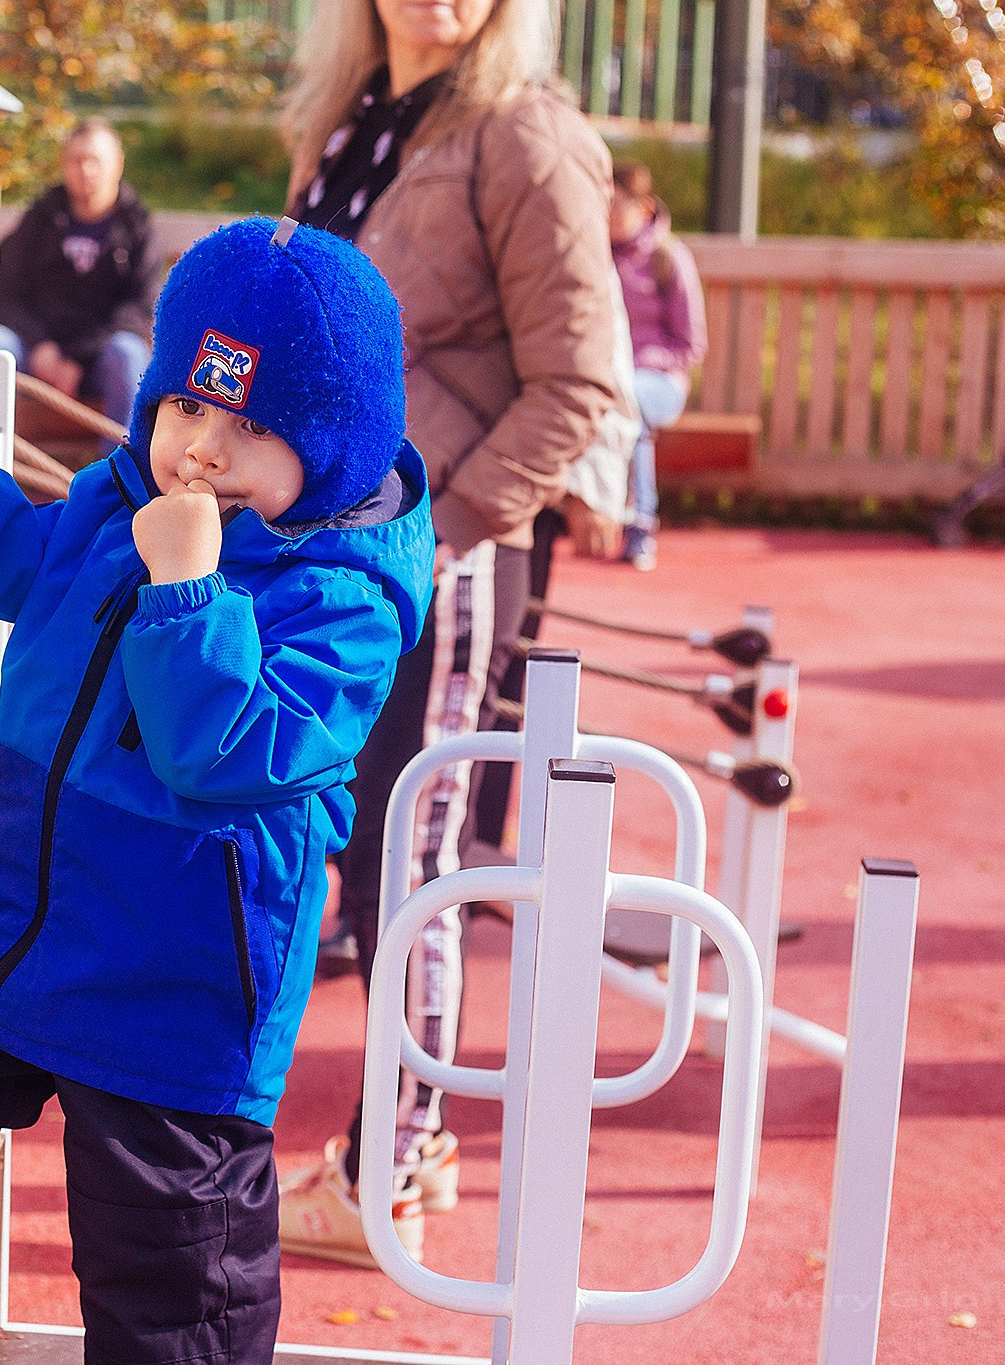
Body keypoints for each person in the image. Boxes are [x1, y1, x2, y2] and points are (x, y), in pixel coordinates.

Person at [0, 218, 433, 1365]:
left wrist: (188, 588)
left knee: (171, 1283)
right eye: (188, 406)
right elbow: (22, 554)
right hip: (11, 938)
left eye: (249, 427)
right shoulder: (122, 494)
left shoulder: (344, 603)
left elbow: (222, 752)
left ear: (331, 452)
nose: (201, 451)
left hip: (170, 995)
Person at [276, 0, 627, 1269]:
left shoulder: (520, 134)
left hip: (438, 552)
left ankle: (396, 1162)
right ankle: (399, 1155)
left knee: (406, 849)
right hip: (325, 554)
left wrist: (453, 524)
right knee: (344, 841)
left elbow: (581, 379)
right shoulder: (353, 126)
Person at [0, 117, 157, 426]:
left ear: (117, 164)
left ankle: (118, 472)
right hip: (34, 355)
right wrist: (40, 346)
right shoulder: (40, 218)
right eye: (76, 160)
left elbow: (139, 309)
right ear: (64, 165)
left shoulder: (137, 226)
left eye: (95, 160)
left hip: (100, 361)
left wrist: (78, 358)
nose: (85, 170)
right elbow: (6, 295)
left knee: (128, 353)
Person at [611, 159, 708, 571]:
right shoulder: (592, 256)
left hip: (659, 383)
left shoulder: (670, 258)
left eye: (616, 207)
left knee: (628, 407)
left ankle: (639, 524)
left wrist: (635, 365)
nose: (607, 218)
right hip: (607, 380)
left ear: (643, 209)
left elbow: (691, 345)